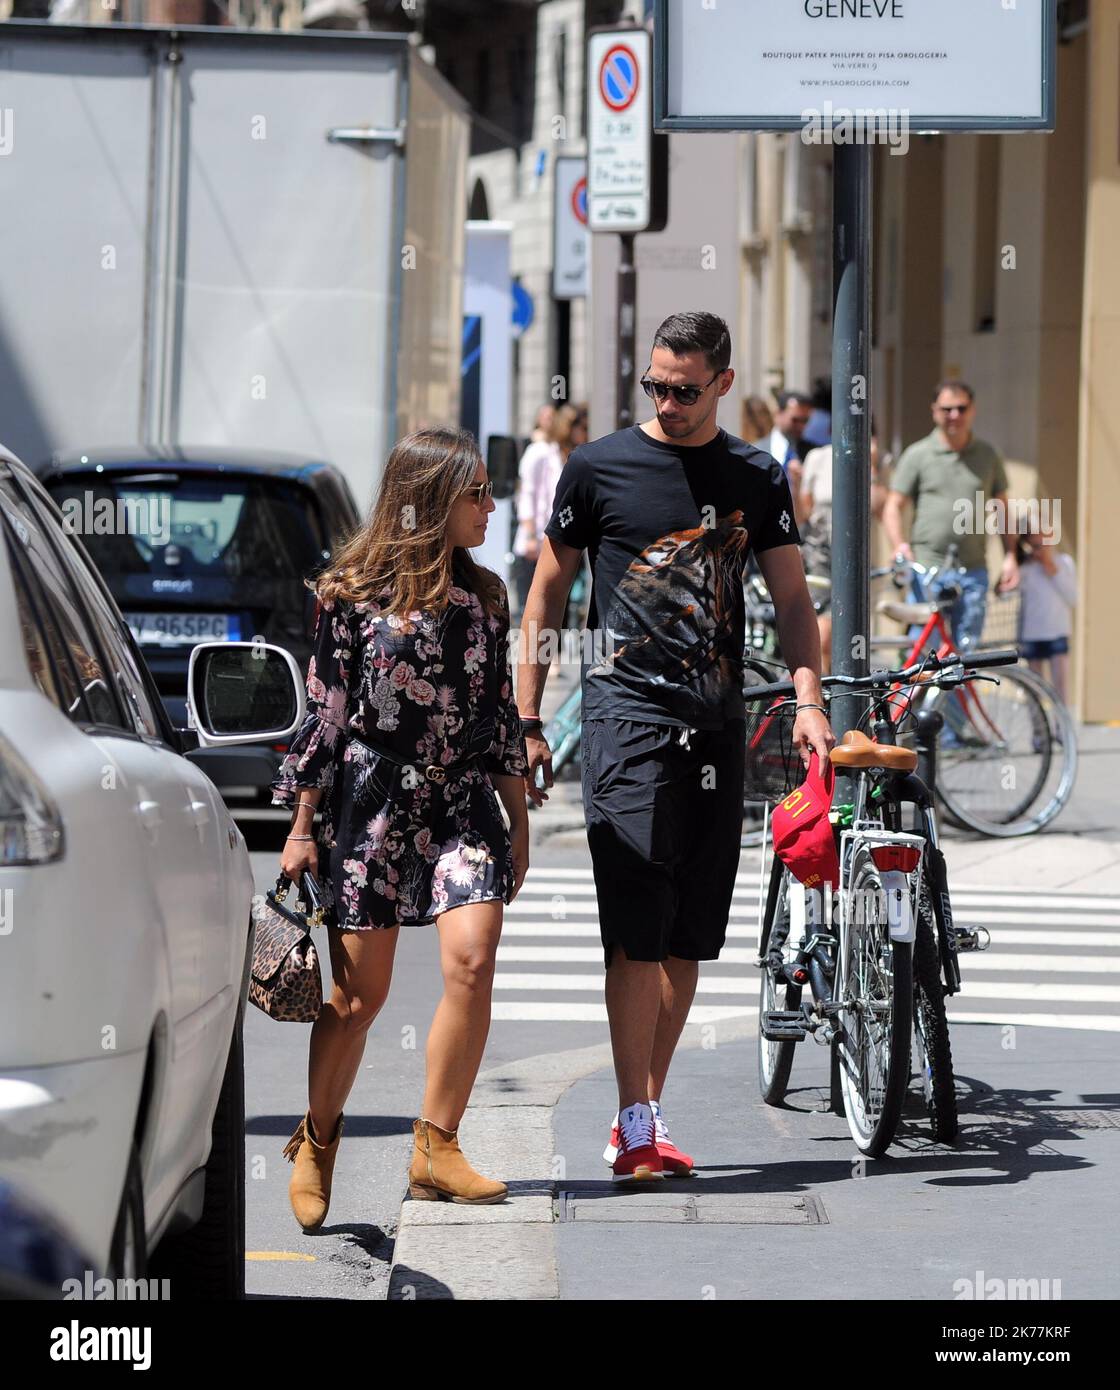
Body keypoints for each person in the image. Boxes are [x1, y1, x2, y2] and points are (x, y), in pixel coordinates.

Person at [517, 311, 834, 1184]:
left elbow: (795, 603)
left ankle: (643, 1115)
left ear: (723, 383)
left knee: (689, 937)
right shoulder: (598, 468)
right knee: (636, 929)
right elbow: (546, 597)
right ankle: (633, 1118)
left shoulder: (756, 476)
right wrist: (530, 718)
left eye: (684, 388)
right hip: (624, 719)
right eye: (656, 384)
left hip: (717, 725)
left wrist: (807, 702)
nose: (667, 399)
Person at [271, 426, 529, 1226]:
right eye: (477, 492)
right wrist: (302, 825)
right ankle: (318, 1137)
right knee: (358, 999)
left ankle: (436, 1148)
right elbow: (326, 716)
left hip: (460, 803)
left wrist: (516, 822)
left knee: (472, 963)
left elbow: (497, 720)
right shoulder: (348, 595)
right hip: (371, 803)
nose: (492, 506)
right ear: (431, 500)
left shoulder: (485, 599)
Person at [882, 379, 1019, 651]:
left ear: (972, 410)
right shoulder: (919, 454)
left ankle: (955, 697)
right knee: (924, 656)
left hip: (972, 571)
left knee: (965, 657)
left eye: (961, 408)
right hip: (928, 570)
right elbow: (893, 505)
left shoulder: (988, 454)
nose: (954, 415)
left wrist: (1011, 557)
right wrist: (900, 545)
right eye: (946, 409)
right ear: (934, 410)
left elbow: (1002, 507)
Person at [797, 429, 887, 674]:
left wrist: (874, 467)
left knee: (848, 636)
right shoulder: (818, 457)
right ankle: (824, 695)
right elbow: (804, 512)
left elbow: (879, 507)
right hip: (821, 555)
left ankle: (839, 693)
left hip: (855, 556)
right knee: (823, 636)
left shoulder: (869, 459)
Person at [511, 402, 588, 612]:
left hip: (562, 544)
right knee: (534, 608)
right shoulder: (539, 453)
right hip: (535, 543)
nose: (586, 433)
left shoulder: (571, 457)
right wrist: (529, 537)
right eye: (582, 428)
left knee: (560, 608)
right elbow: (527, 495)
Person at [1012, 520, 1076, 704]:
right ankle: (1039, 730)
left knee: (1060, 686)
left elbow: (1073, 597)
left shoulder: (1064, 562)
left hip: (1057, 632)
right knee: (1034, 686)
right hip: (1032, 634)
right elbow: (1004, 590)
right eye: (1033, 535)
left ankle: (1061, 729)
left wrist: (1051, 569)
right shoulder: (1025, 568)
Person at [760, 389, 814, 495]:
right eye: (795, 420)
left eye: (805, 421)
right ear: (778, 414)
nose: (801, 426)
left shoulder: (813, 452)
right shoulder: (756, 449)